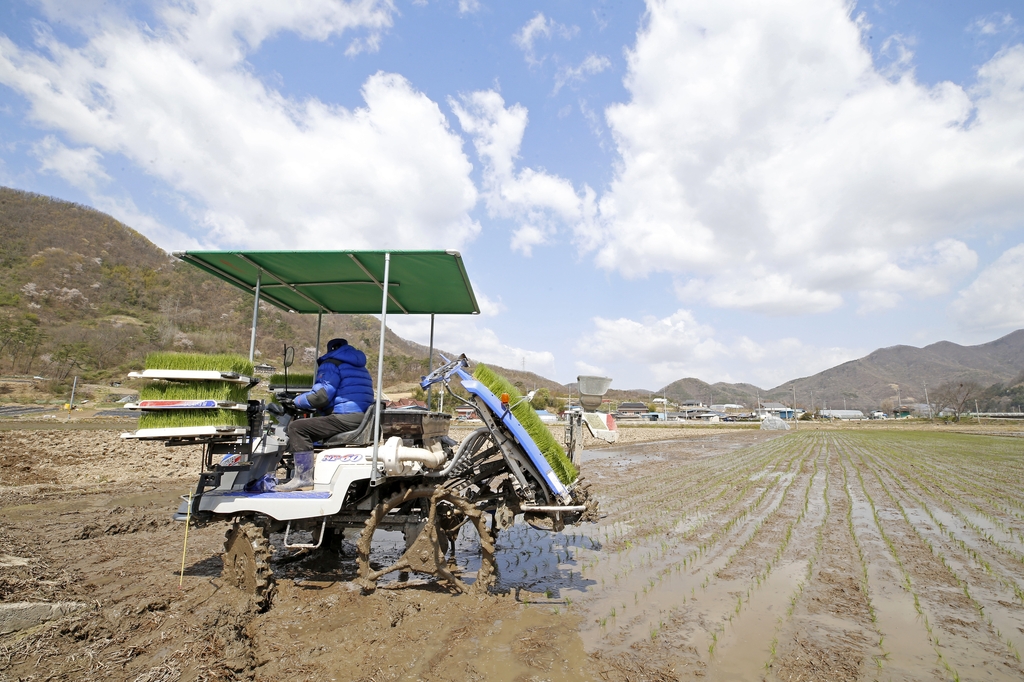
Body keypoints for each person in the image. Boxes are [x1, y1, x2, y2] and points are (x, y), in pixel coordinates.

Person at [277, 338, 375, 491]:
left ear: (331, 350)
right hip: (362, 418)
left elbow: (321, 396)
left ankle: (303, 479)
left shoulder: (332, 363)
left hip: (345, 417)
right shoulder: (360, 366)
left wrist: (295, 401)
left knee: (297, 428)